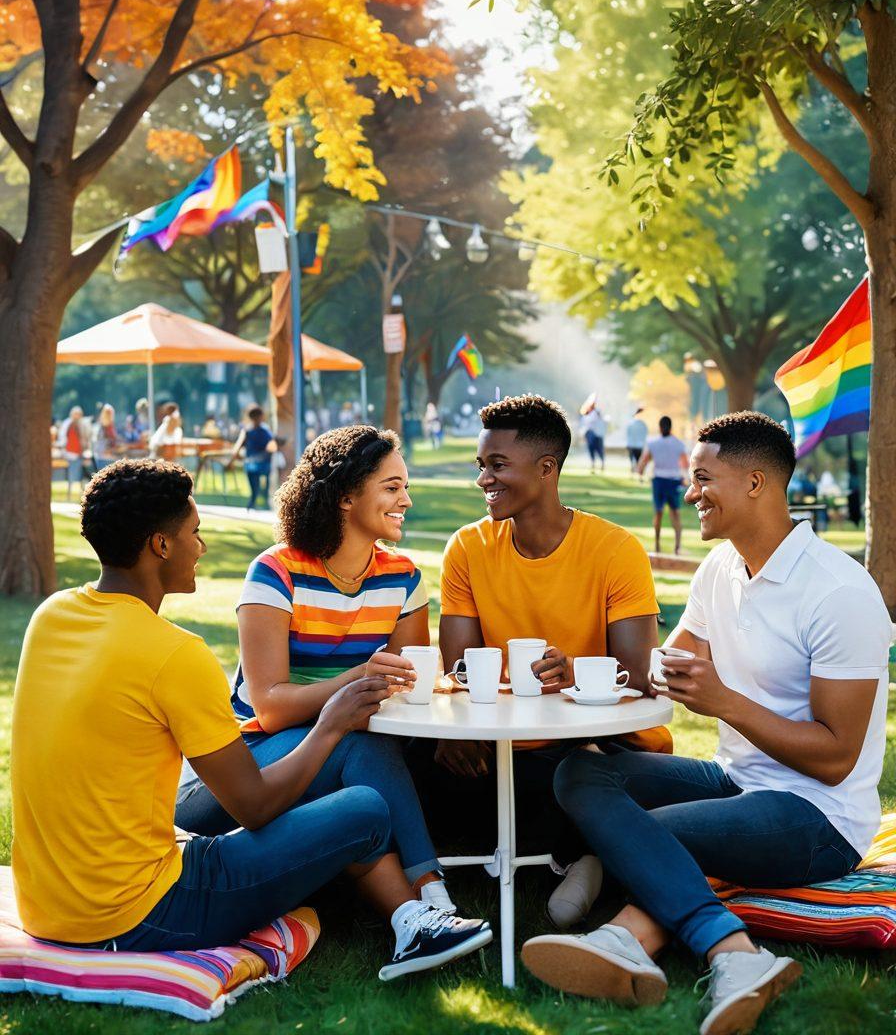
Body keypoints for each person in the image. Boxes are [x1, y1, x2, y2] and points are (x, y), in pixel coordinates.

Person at [11, 459, 490, 981]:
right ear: (160, 546)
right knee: (366, 809)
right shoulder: (175, 654)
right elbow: (255, 806)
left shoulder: (51, 616)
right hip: (146, 911)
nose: (202, 547)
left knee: (354, 772)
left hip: (46, 906)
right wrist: (331, 722)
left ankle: (414, 919)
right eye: (195, 533)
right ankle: (416, 913)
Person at [522, 412, 891, 1035]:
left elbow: (837, 758)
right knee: (580, 773)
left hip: (819, 814)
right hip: (735, 778)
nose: (688, 492)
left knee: (652, 830)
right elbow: (667, 666)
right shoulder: (720, 569)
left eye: (702, 478)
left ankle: (699, 947)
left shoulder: (839, 592)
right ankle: (691, 944)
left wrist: (725, 702)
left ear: (754, 484)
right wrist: (582, 673)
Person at [176, 424, 481, 933]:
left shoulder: (403, 576)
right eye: (391, 487)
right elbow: (269, 707)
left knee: (362, 739)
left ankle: (419, 908)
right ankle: (431, 890)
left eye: (405, 486)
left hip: (337, 743)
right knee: (357, 740)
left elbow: (404, 690)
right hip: (241, 768)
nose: (405, 499)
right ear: (344, 495)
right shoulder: (276, 571)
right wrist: (358, 680)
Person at [424, 394, 669, 929]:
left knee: (576, 773)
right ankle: (578, 850)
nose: (484, 479)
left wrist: (574, 672)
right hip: (503, 743)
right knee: (413, 765)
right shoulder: (467, 548)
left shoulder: (614, 549)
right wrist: (455, 731)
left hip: (599, 744)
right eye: (481, 466)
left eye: (497, 465)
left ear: (547, 468)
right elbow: (460, 669)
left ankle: (579, 850)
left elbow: (640, 675)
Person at [637, 416, 688, 555]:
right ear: (670, 427)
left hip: (659, 481)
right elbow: (685, 464)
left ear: (659, 427)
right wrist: (686, 479)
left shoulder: (653, 443)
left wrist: (640, 472)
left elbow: (643, 461)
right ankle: (677, 547)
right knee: (675, 514)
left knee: (658, 513)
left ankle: (657, 545)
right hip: (673, 480)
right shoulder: (678, 443)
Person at [226, 404, 276, 510]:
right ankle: (254, 502)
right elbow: (238, 446)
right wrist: (231, 460)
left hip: (262, 463)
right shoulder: (248, 431)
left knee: (262, 483)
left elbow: (272, 445)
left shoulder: (264, 430)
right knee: (254, 484)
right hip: (253, 463)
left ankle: (261, 501)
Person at [57, 405, 90, 496]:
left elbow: (86, 438)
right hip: (69, 453)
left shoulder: (82, 424)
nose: (77, 416)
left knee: (79, 474)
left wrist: (85, 449)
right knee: (71, 473)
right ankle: (70, 492)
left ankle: (80, 493)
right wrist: (63, 451)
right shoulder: (67, 424)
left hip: (79, 453)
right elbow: (62, 438)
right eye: (75, 414)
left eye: (78, 414)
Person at [578, 396, 606, 472]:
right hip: (589, 433)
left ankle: (602, 463)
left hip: (597, 434)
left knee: (599, 450)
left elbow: (601, 421)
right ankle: (593, 464)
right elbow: (583, 425)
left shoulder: (597, 413)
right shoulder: (586, 415)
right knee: (591, 449)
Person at [91, 403, 118, 469]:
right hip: (103, 459)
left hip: (112, 458)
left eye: (111, 413)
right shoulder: (100, 428)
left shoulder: (111, 426)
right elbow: (97, 445)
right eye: (107, 413)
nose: (110, 415)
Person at [625, 408, 648, 475]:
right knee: (639, 461)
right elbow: (645, 434)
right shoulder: (643, 424)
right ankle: (639, 475)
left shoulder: (631, 423)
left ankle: (634, 472)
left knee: (632, 460)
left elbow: (628, 434)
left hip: (632, 444)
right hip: (639, 445)